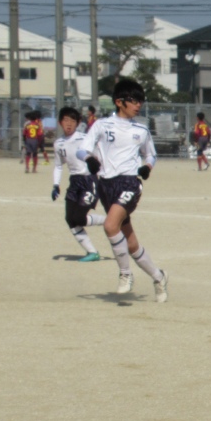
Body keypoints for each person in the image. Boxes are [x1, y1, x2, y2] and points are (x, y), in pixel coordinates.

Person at [77, 78, 169, 301]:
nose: (138, 105)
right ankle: (159, 277)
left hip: (129, 183)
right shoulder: (101, 125)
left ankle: (125, 274)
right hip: (106, 186)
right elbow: (81, 150)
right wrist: (89, 160)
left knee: (110, 225)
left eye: (140, 101)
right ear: (119, 102)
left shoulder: (141, 130)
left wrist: (147, 167)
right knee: (131, 244)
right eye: (134, 100)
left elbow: (151, 155)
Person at [51, 106, 105, 262]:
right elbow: (58, 166)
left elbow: (99, 157)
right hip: (74, 182)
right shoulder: (58, 143)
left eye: (72, 120)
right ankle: (92, 252)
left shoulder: (85, 139)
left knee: (79, 218)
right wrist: (56, 185)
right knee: (70, 218)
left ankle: (110, 221)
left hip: (89, 181)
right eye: (65, 120)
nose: (69, 124)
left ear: (78, 122)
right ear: (60, 122)